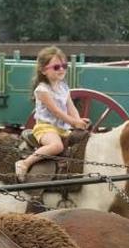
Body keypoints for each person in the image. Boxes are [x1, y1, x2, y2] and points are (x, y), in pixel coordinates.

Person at [14, 46, 88, 180]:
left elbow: (71, 106)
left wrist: (78, 122)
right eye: (56, 67)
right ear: (43, 70)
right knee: (57, 146)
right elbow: (56, 111)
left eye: (64, 66)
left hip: (62, 129)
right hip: (45, 128)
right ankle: (25, 163)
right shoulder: (42, 90)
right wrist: (73, 122)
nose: (61, 69)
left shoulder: (63, 87)